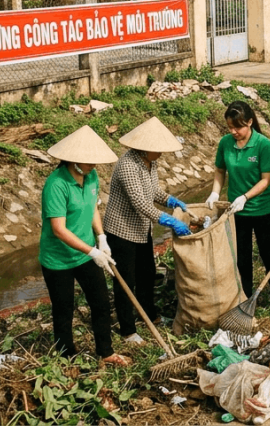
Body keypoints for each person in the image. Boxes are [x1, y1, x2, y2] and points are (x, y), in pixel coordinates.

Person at [39, 125, 129, 366]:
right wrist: (92, 251)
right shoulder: (56, 184)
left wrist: (101, 237)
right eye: (88, 161)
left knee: (101, 303)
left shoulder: (91, 176)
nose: (93, 165)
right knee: (63, 310)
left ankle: (106, 352)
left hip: (87, 254)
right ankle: (66, 358)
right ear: (73, 159)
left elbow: (92, 209)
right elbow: (59, 229)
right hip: (58, 260)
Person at [103, 117, 191, 345]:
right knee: (126, 281)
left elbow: (153, 191)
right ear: (145, 148)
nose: (161, 153)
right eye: (157, 149)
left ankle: (149, 316)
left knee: (147, 274)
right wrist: (169, 221)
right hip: (121, 231)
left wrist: (170, 200)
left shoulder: (151, 163)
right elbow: (140, 203)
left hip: (142, 230)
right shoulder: (128, 165)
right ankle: (127, 330)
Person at [205, 102, 270, 317]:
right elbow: (220, 170)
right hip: (237, 211)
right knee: (242, 256)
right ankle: (246, 297)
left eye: (238, 127)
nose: (233, 131)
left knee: (269, 253)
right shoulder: (225, 143)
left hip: (263, 209)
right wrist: (215, 193)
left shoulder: (263, 144)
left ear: (250, 122)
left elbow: (266, 180)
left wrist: (245, 196)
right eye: (230, 127)